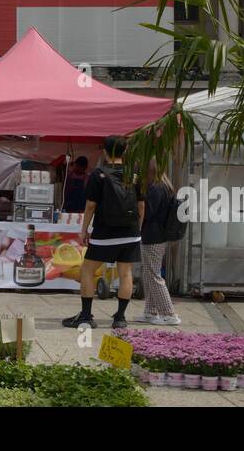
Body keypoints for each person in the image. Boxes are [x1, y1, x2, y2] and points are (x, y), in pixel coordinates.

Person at [63, 135, 144, 330]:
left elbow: (91, 205)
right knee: (126, 273)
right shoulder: (134, 172)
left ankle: (86, 315)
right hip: (130, 232)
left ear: (105, 152)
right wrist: (137, 229)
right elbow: (141, 205)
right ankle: (120, 319)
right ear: (125, 151)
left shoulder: (99, 173)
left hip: (105, 232)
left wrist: (84, 231)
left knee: (88, 270)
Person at [136, 167, 180, 325]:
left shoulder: (155, 188)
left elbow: (148, 213)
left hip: (153, 235)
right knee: (148, 273)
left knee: (153, 274)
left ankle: (169, 314)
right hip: (158, 235)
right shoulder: (165, 186)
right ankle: (150, 311)